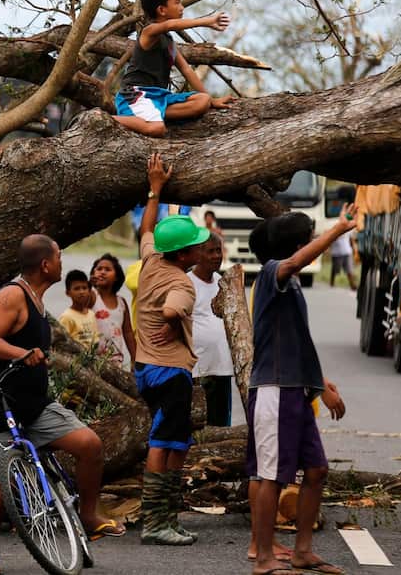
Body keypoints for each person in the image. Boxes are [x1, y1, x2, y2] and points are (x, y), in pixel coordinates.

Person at [0, 235, 124, 575]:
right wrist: (21, 353)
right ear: (45, 264)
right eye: (58, 256)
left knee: (90, 445)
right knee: (3, 486)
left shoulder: (38, 300)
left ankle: (88, 515)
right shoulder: (13, 295)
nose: (62, 261)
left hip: (35, 405)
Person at [246, 208, 353, 575]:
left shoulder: (291, 285)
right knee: (272, 476)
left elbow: (299, 342)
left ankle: (302, 551)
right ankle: (262, 558)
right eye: (308, 238)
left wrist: (320, 384)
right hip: (274, 390)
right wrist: (337, 231)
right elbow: (295, 262)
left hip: (297, 391)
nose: (312, 245)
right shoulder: (273, 273)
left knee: (317, 470)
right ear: (297, 245)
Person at [133, 153, 209, 546]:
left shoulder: (151, 260)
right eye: (196, 247)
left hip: (146, 368)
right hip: (170, 372)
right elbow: (172, 307)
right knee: (164, 443)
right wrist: (170, 322)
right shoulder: (183, 281)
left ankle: (166, 517)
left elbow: (147, 231)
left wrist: (155, 191)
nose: (201, 250)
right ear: (182, 255)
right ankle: (155, 523)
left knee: (175, 442)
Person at [113, 0, 236, 137]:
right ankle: (105, 119)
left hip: (159, 97)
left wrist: (212, 101)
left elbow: (186, 70)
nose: (181, 7)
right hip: (135, 95)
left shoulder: (169, 41)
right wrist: (206, 21)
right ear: (162, 10)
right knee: (157, 129)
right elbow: (168, 25)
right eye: (177, 2)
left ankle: (155, 114)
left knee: (202, 101)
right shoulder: (149, 32)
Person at [189, 231, 236, 427]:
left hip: (222, 367)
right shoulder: (187, 282)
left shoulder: (222, 283)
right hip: (197, 369)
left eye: (219, 250)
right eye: (211, 251)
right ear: (198, 254)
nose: (217, 256)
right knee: (197, 423)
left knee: (221, 424)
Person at [89, 253, 136, 371]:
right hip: (93, 358)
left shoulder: (121, 302)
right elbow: (80, 303)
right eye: (99, 269)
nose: (102, 272)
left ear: (117, 277)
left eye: (107, 269)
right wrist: (90, 285)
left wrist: (135, 358)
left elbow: (128, 332)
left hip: (115, 359)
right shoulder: (92, 297)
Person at [58, 269, 99, 349]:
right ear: (68, 293)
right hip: (76, 360)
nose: (81, 292)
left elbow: (95, 340)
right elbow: (61, 343)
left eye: (84, 288)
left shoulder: (91, 314)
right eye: (76, 289)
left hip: (92, 359)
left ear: (89, 291)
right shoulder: (66, 317)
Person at [328, 226, 356, 290]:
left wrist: (353, 248)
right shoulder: (334, 228)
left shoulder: (348, 228)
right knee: (335, 269)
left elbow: (351, 239)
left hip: (347, 251)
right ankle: (332, 283)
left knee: (349, 270)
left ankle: (352, 285)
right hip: (337, 253)